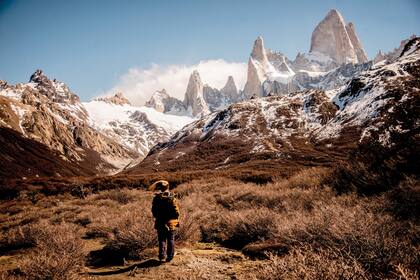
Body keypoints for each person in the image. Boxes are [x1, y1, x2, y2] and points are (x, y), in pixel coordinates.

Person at [149, 180, 180, 262]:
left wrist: (158, 217)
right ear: (168, 187)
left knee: (161, 239)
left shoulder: (156, 198)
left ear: (160, 188)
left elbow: (153, 210)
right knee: (170, 238)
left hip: (160, 222)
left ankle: (162, 256)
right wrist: (175, 218)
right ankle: (170, 257)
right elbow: (176, 211)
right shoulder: (172, 197)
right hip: (171, 222)